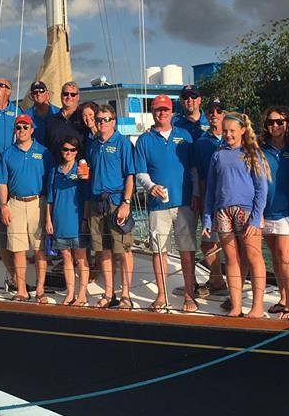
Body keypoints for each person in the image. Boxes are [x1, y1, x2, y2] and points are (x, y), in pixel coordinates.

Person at [134, 95, 198, 312]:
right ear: (152, 112)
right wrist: (150, 186)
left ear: (172, 111)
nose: (161, 113)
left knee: (187, 251)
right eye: (157, 110)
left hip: (184, 203)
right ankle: (161, 295)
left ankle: (190, 295)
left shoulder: (185, 136)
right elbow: (140, 172)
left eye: (165, 109)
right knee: (158, 250)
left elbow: (193, 170)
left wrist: (197, 193)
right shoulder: (144, 140)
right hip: (157, 205)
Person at [202, 113, 269, 318]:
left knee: (254, 256)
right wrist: (207, 217)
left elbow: (261, 188)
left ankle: (257, 306)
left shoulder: (251, 153)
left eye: (232, 130)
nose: (228, 134)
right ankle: (236, 306)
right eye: (225, 131)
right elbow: (211, 189)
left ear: (242, 130)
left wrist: (256, 217)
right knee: (231, 259)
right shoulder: (218, 155)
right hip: (223, 211)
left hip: (246, 211)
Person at [0, 114, 53, 303]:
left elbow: (51, 181)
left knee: (40, 249)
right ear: (15, 130)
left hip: (38, 203)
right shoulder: (7, 154)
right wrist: (3, 206)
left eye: (25, 127)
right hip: (15, 204)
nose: (22, 130)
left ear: (32, 129)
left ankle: (40, 289)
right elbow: (2, 182)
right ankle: (21, 290)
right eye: (18, 127)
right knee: (18, 250)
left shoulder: (44, 153)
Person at [86, 104, 135, 308]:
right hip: (97, 203)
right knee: (103, 250)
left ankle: (125, 294)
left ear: (113, 121)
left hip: (116, 203)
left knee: (123, 250)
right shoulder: (93, 145)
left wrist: (126, 202)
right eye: (99, 120)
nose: (102, 123)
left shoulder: (122, 143)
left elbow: (130, 175)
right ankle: (109, 292)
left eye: (106, 119)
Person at [260, 106, 289, 320]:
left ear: (287, 123)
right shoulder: (260, 148)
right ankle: (283, 298)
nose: (275, 125)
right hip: (266, 210)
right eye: (270, 122)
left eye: (279, 121)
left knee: (286, 257)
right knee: (275, 257)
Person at [45, 136, 91, 306]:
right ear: (61, 151)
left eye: (72, 150)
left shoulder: (81, 169)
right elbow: (50, 198)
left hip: (77, 219)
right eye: (66, 149)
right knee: (66, 258)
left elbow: (87, 198)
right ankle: (70, 293)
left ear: (76, 152)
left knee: (81, 258)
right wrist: (48, 220)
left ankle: (82, 294)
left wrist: (85, 218)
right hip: (59, 219)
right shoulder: (55, 171)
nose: (68, 153)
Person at [193, 98, 228, 296]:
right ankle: (217, 279)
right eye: (211, 111)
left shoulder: (235, 137)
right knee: (208, 242)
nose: (214, 114)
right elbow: (199, 174)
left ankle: (237, 282)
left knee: (235, 244)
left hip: (234, 199)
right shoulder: (201, 143)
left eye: (218, 110)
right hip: (211, 199)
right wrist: (200, 197)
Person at [44, 81, 85, 159]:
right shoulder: (51, 120)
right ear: (61, 96)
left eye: (73, 94)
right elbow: (47, 146)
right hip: (55, 168)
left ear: (78, 97)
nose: (69, 97)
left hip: (78, 168)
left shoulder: (83, 119)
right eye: (66, 94)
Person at [24, 80, 60, 145]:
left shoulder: (59, 112)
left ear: (47, 93)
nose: (38, 94)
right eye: (35, 92)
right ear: (32, 95)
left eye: (41, 90)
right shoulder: (26, 116)